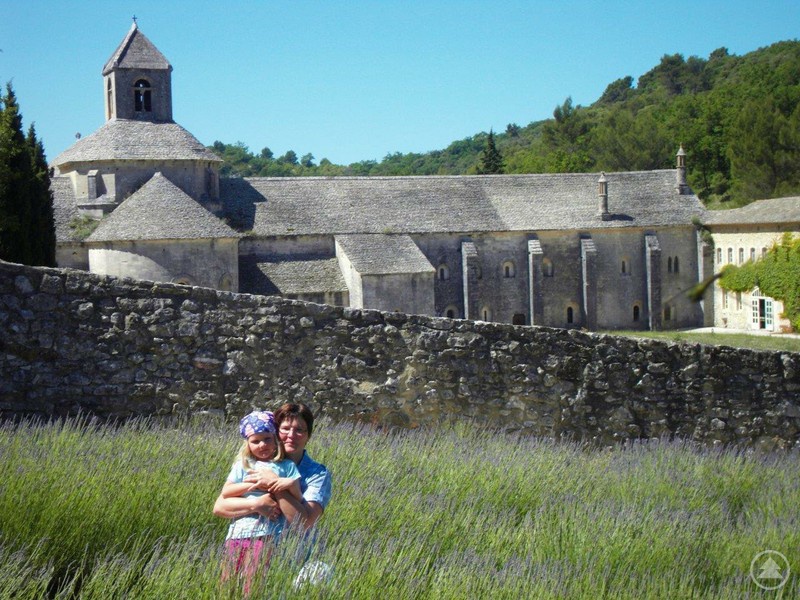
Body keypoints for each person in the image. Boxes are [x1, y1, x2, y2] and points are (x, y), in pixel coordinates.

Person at [213, 401, 332, 537]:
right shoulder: (253, 464)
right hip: (247, 540)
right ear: (275, 432)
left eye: (299, 430)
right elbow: (220, 507)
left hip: (292, 553)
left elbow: (304, 524)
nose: (291, 435)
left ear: (308, 435)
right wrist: (256, 504)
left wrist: (275, 483)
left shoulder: (317, 473)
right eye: (285, 429)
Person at [216, 410, 302, 595]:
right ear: (247, 444)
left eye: (267, 439)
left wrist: (287, 483)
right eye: (255, 441)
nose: (262, 445)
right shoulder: (243, 465)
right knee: (226, 583)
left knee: (252, 582)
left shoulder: (286, 466)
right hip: (237, 533)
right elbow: (226, 492)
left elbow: (298, 496)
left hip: (267, 534)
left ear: (275, 440)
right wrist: (250, 484)